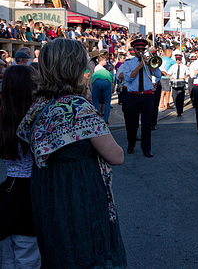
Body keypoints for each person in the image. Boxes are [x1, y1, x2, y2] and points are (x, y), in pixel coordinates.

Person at [16, 38, 126, 267]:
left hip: (48, 193)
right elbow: (116, 156)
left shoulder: (39, 104)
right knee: (86, 255)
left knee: (58, 254)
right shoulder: (78, 108)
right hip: (78, 195)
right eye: (85, 64)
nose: (88, 69)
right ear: (73, 68)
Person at [0, 65, 40, 268]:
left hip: (8, 191)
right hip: (32, 193)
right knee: (28, 256)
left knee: (8, 255)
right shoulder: (37, 121)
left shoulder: (4, 120)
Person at [120, 38, 161, 157]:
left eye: (143, 49)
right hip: (133, 96)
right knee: (132, 123)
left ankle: (146, 149)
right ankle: (131, 144)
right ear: (134, 50)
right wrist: (140, 66)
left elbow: (158, 75)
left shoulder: (149, 62)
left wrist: (150, 66)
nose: (141, 51)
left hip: (147, 96)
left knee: (147, 124)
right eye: (138, 49)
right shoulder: (128, 63)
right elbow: (128, 78)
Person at [91, 52, 115, 123]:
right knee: (107, 102)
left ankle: (98, 118)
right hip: (107, 82)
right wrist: (112, 88)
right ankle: (106, 119)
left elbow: (91, 81)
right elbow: (112, 81)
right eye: (105, 60)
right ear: (101, 60)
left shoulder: (96, 69)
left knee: (95, 101)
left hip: (96, 81)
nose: (106, 61)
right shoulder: (105, 71)